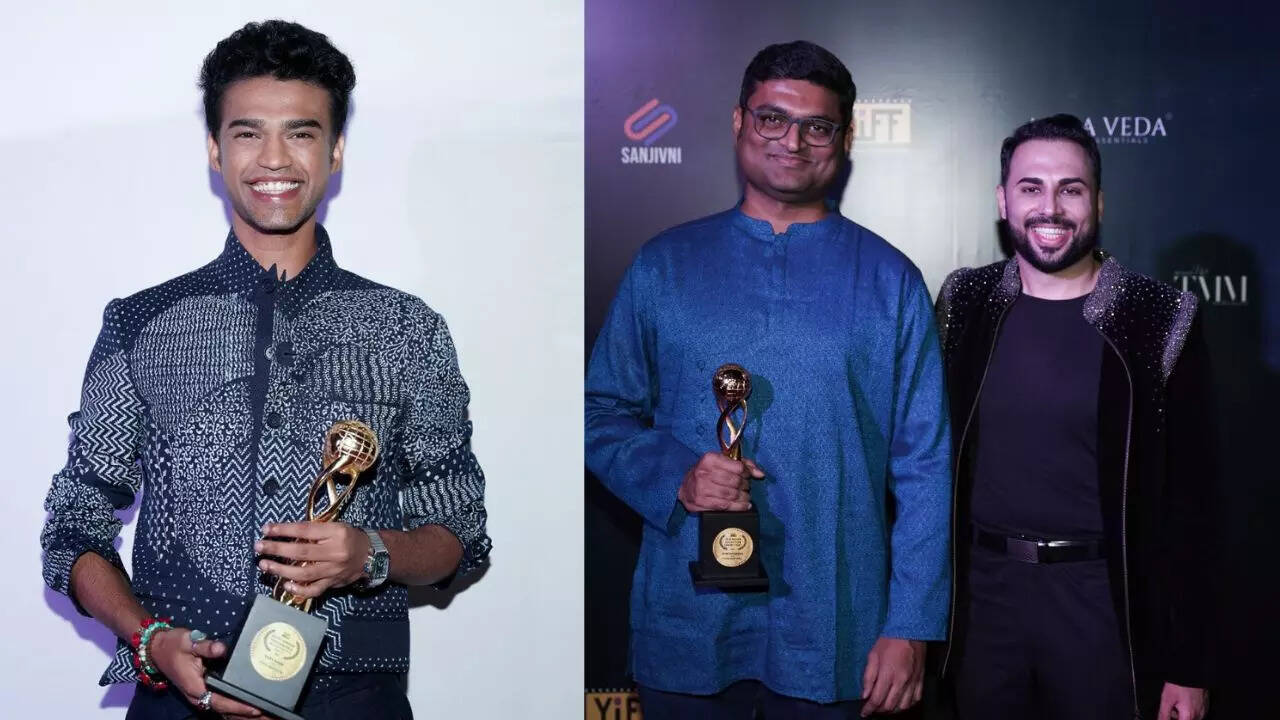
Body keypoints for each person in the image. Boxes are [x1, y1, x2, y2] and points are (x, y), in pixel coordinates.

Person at [40, 20, 490, 720]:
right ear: (215, 150)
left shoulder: (407, 330)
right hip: (177, 699)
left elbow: (458, 533)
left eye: (301, 133)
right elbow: (74, 527)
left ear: (335, 150)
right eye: (248, 133)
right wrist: (149, 639)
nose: (273, 158)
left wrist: (369, 553)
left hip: (355, 700)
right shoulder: (141, 324)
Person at [585, 40, 951, 718]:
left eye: (817, 126)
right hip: (688, 621)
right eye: (773, 118)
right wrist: (676, 476)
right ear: (739, 122)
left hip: (838, 629)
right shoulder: (665, 265)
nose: (793, 141)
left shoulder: (891, 281)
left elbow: (925, 467)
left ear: (845, 139)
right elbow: (599, 411)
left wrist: (911, 624)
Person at [935, 114, 1215, 720]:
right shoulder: (965, 301)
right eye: (1031, 187)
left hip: (1102, 607)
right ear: (1003, 200)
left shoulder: (1159, 316)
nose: (1050, 208)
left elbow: (1193, 504)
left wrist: (1188, 663)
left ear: (1099, 203)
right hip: (982, 607)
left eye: (1071, 189)